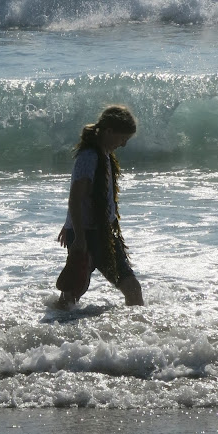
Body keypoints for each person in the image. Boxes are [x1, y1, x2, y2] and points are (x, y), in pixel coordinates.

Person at [56, 105, 144, 307]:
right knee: (73, 292)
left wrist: (70, 226)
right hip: (88, 234)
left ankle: (56, 320)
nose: (123, 145)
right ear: (109, 131)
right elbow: (75, 198)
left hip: (102, 233)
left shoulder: (104, 155)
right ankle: (53, 325)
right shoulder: (89, 157)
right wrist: (78, 236)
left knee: (130, 288)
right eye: (123, 138)